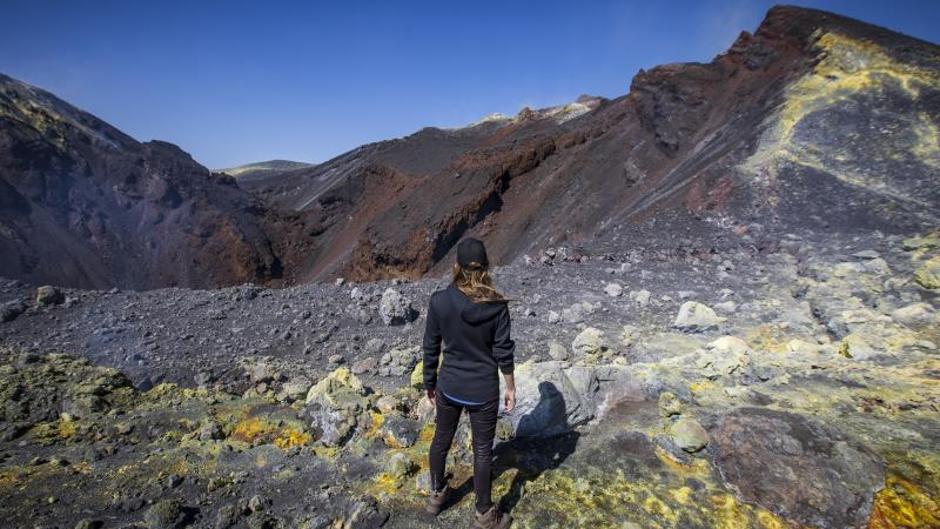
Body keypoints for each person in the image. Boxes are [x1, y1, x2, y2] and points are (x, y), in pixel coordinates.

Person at [422, 237, 515, 529]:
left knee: (441, 440)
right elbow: (503, 350)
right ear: (486, 267)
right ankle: (485, 515)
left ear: (456, 266)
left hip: (449, 385)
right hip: (482, 390)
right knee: (483, 451)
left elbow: (431, 346)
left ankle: (436, 496)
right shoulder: (497, 305)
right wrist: (510, 386)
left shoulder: (439, 301)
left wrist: (429, 382)